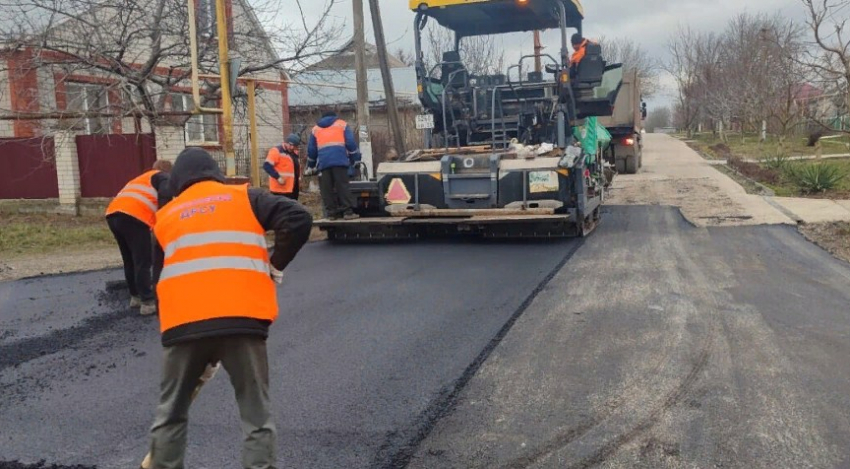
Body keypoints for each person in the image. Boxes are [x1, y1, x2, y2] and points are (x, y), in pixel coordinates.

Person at [147, 147, 312, 469]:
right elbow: (298, 218)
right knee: (256, 415)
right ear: (216, 174)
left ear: (178, 182)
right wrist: (275, 265)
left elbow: (159, 285)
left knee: (171, 414)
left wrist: (189, 345)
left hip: (184, 327)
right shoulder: (245, 198)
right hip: (242, 321)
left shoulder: (164, 218)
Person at [105, 160, 172, 316]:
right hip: (135, 217)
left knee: (129, 259)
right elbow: (166, 195)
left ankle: (135, 297)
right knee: (143, 260)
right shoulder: (162, 176)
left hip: (113, 215)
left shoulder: (140, 179)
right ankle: (148, 302)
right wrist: (164, 217)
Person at [306, 111, 361, 220]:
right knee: (343, 186)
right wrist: (355, 159)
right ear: (335, 116)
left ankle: (331, 214)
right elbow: (350, 143)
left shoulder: (315, 129)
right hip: (340, 161)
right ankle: (347, 212)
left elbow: (311, 150)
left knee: (326, 189)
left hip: (324, 163)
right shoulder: (342, 124)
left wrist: (311, 165)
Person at [263, 133, 301, 200]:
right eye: (290, 145)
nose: (292, 147)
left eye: (294, 146)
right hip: (279, 189)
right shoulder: (276, 151)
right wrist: (278, 177)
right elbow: (267, 166)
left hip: (292, 188)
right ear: (286, 142)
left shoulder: (294, 154)